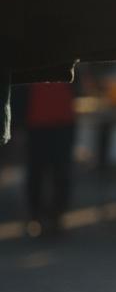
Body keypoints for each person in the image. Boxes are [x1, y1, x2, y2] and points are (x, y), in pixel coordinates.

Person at [17, 81, 77, 237]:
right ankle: (36, 216)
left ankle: (56, 216)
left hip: (61, 120)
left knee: (60, 172)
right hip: (37, 121)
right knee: (37, 172)